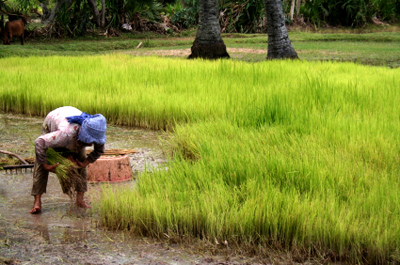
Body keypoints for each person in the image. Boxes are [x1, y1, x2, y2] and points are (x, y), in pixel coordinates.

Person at [30, 106, 107, 214]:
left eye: (92, 142)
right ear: (82, 134)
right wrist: (45, 164)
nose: (90, 144)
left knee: (81, 161)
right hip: (53, 121)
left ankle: (80, 200)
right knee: (43, 159)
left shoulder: (97, 133)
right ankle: (37, 202)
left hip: (72, 131)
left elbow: (99, 150)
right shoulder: (64, 135)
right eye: (88, 141)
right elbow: (39, 142)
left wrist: (85, 163)